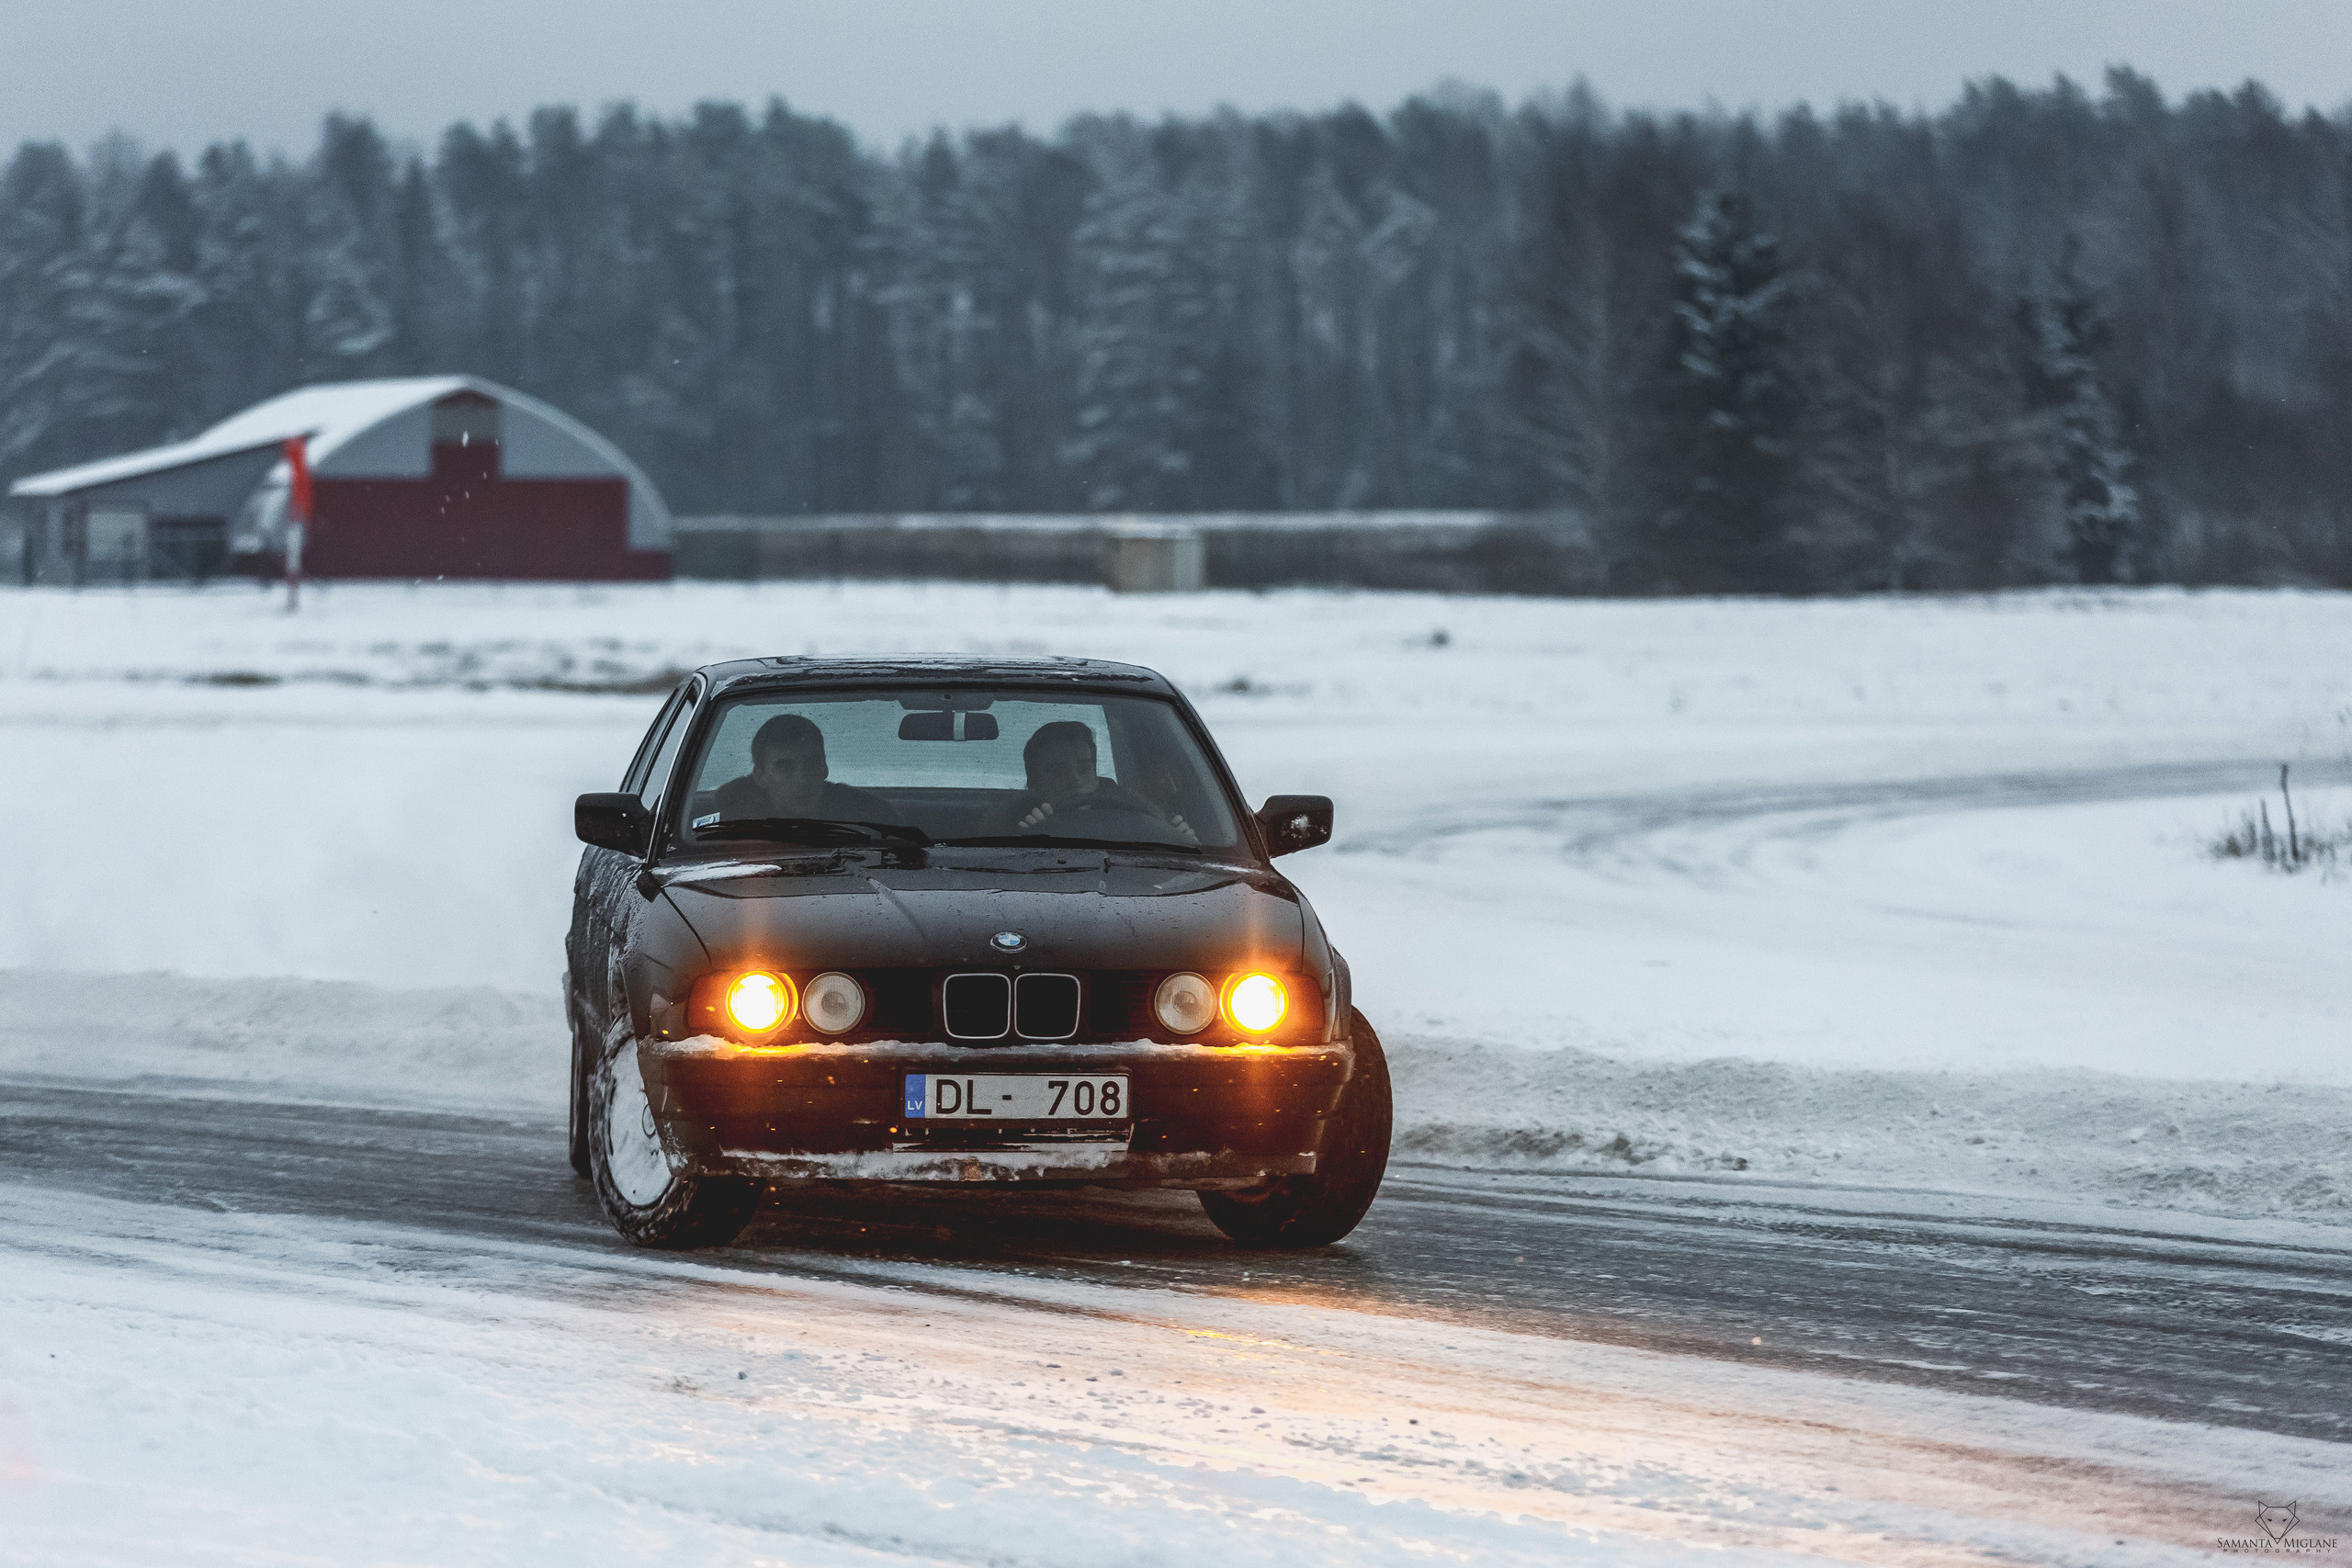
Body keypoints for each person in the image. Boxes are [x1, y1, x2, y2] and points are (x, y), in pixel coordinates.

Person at [985, 721, 1193, 839]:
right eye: (1058, 771)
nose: (1074, 780)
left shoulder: (1136, 811)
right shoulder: (1008, 823)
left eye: (1084, 768)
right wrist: (1027, 838)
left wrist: (1181, 840)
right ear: (1035, 784)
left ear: (1095, 773)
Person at [709, 714, 906, 826]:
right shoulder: (724, 826)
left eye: (812, 764)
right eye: (785, 767)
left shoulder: (874, 819)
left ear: (825, 768)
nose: (802, 779)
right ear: (760, 776)